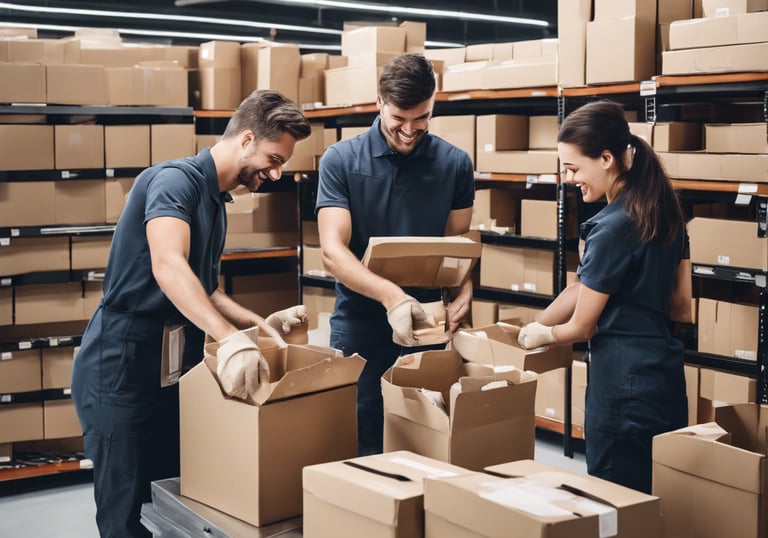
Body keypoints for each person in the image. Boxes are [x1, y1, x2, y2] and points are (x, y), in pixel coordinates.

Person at [71, 89, 311, 537]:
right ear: (245, 139)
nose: (277, 174)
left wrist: (257, 327)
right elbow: (168, 265)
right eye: (274, 158)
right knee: (125, 515)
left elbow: (205, 290)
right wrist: (228, 338)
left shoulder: (217, 202)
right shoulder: (173, 182)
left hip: (167, 372)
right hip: (120, 367)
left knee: (166, 504)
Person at [517, 100, 691, 494]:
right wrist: (539, 321)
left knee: (614, 500)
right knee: (657, 496)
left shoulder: (611, 227)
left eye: (574, 168)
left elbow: (582, 324)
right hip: (662, 379)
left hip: (620, 387)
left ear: (607, 158)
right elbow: (682, 306)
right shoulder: (665, 211)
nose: (569, 178)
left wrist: (545, 336)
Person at [316, 53, 475, 456]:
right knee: (362, 433)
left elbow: (457, 244)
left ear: (433, 104)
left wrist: (465, 288)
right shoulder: (341, 160)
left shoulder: (455, 164)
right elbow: (333, 252)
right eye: (399, 119)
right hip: (361, 323)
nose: (409, 130)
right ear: (380, 102)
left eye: (420, 119)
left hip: (427, 323)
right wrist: (392, 297)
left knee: (425, 433)